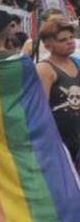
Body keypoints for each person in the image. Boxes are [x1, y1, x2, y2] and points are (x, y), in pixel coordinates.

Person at [36, 17, 80, 164]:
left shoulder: (76, 62)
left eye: (71, 37)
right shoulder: (45, 69)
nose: (70, 41)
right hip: (60, 142)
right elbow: (41, 111)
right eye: (63, 40)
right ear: (48, 45)